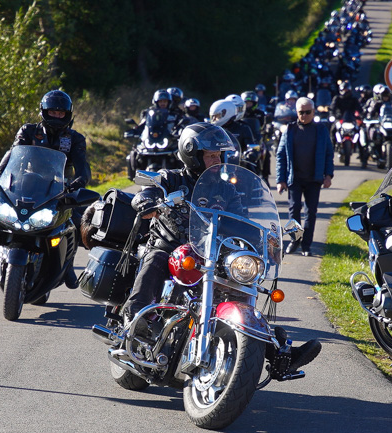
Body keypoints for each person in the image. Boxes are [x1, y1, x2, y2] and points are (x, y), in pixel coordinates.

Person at [120, 122, 321, 373]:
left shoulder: (227, 189)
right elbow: (147, 191)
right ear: (192, 155)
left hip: (211, 253)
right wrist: (148, 201)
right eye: (211, 155)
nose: (217, 159)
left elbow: (242, 222)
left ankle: (275, 350)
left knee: (241, 282)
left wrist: (266, 238)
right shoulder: (172, 178)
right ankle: (134, 317)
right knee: (155, 261)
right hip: (170, 245)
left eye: (219, 155)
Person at [0, 89, 91, 287]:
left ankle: (67, 265)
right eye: (53, 112)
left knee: (76, 220)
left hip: (60, 187)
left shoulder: (76, 138)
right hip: (26, 182)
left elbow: (83, 167)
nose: (57, 116)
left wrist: (79, 182)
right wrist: (0, 171)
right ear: (44, 112)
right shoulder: (27, 131)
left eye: (61, 113)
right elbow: (13, 152)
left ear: (68, 115)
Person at [275, 97, 334, 257]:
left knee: (311, 212)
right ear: (297, 112)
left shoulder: (321, 130)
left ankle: (306, 245)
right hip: (294, 178)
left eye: (308, 112)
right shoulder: (290, 130)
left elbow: (329, 153)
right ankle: (295, 240)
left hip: (314, 178)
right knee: (293, 210)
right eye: (301, 112)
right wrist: (280, 180)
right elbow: (280, 155)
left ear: (313, 112)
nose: (305, 115)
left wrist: (328, 175)